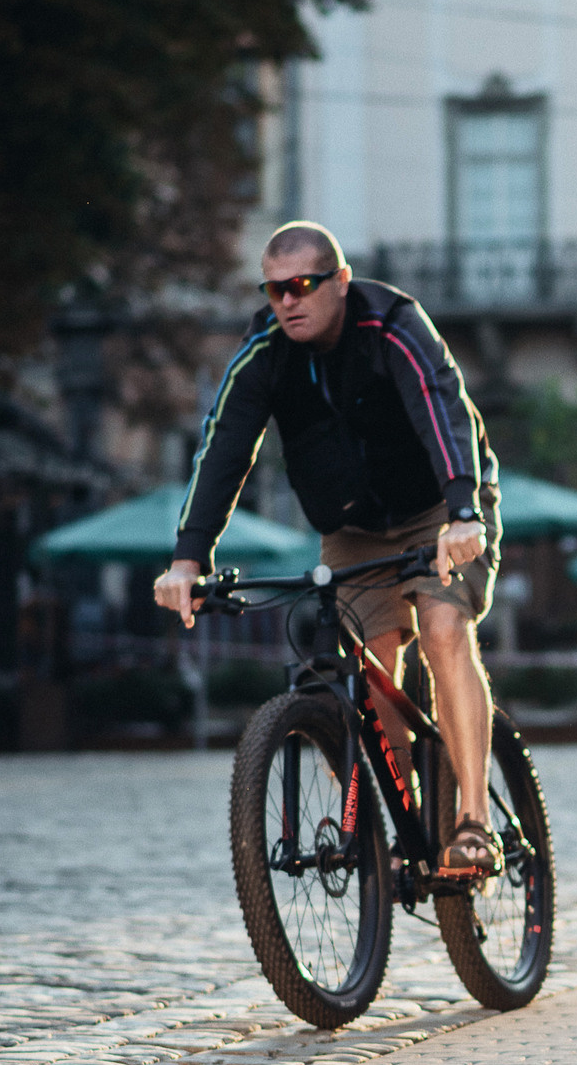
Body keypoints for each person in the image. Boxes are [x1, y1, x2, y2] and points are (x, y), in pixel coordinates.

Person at [152, 221, 504, 875]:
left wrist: (462, 511)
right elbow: (225, 442)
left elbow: (441, 404)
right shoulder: (265, 352)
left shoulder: (391, 324)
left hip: (439, 508)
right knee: (370, 675)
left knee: (444, 628)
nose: (289, 300)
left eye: (304, 285)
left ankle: (474, 820)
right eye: (275, 289)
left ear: (340, 282)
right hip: (351, 531)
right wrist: (188, 557)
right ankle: (414, 819)